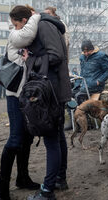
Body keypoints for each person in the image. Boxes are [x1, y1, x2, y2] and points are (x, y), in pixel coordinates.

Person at [21, 8, 71, 200]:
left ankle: (47, 191)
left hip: (51, 92)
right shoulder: (46, 25)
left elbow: (56, 55)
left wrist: (30, 59)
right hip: (52, 89)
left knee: (52, 140)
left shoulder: (44, 25)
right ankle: (59, 179)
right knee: (57, 137)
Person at [0, 6, 41, 200]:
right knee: (15, 139)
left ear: (23, 20)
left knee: (27, 138)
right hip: (14, 96)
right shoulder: (16, 35)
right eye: (14, 24)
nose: (12, 27)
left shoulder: (29, 34)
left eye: (15, 22)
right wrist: (36, 17)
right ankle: (1, 182)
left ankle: (22, 177)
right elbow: (27, 36)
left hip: (28, 96)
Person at [74, 40, 108, 105]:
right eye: (84, 52)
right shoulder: (82, 57)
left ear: (92, 49)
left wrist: (99, 81)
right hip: (84, 87)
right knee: (69, 97)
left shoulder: (101, 56)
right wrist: (77, 84)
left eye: (88, 51)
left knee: (78, 98)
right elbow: (82, 72)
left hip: (95, 88)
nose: (86, 54)